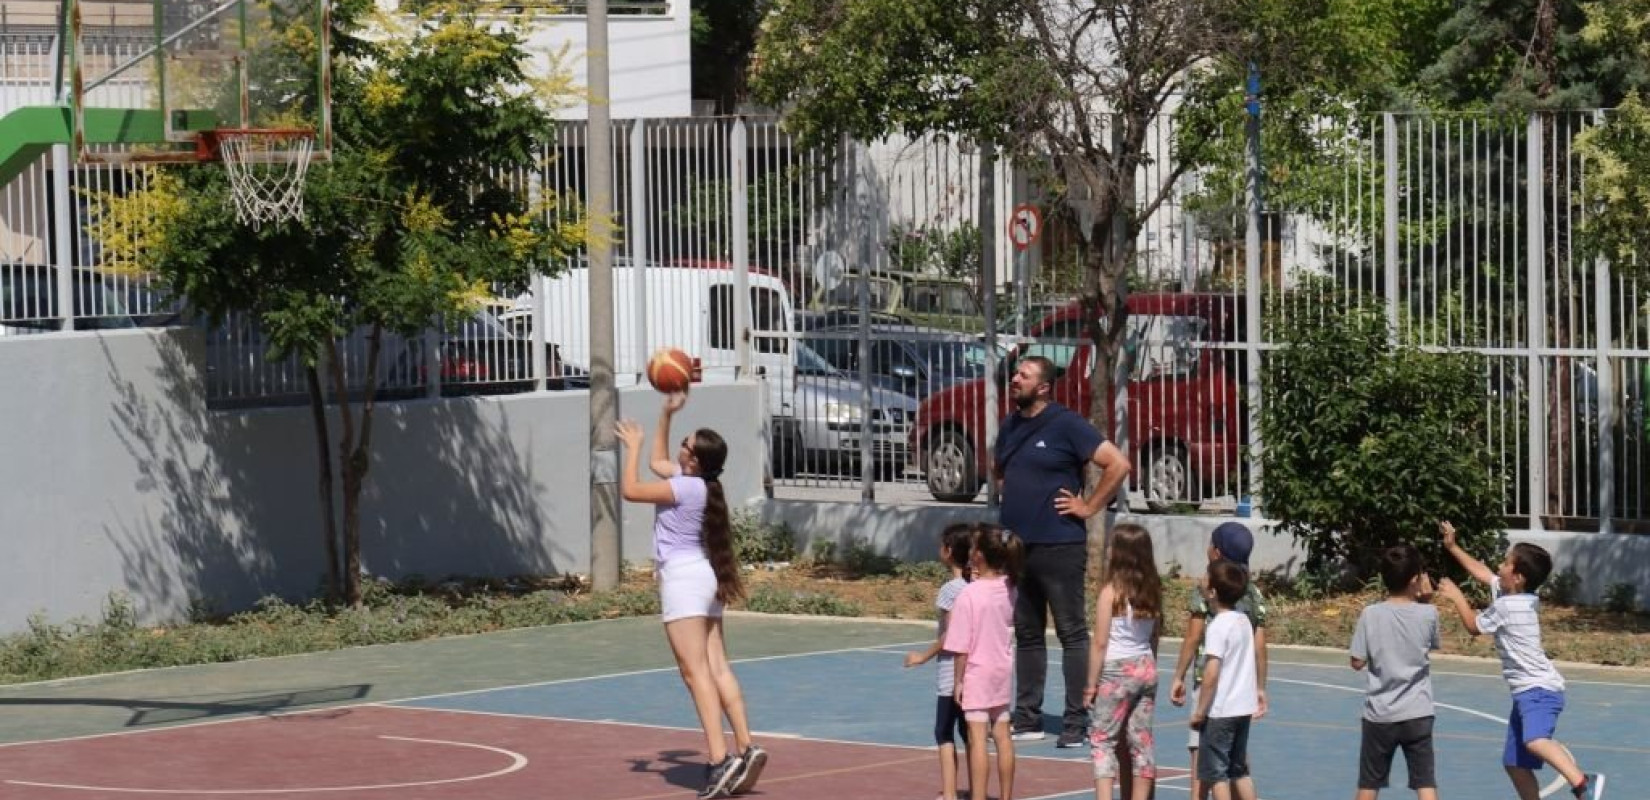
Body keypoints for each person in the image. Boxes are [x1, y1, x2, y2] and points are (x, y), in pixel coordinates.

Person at [616, 392, 767, 799]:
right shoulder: (701, 485)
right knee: (717, 667)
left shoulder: (683, 488)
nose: (679, 446)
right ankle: (746, 747)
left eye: (685, 444)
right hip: (705, 577)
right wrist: (665, 413)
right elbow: (659, 461)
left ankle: (719, 760)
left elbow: (630, 489)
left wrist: (632, 447)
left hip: (683, 581)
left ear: (694, 460)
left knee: (693, 672)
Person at [994, 355, 1130, 747]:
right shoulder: (1010, 425)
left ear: (1043, 387)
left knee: (1071, 632)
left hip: (1060, 546)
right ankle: (1028, 718)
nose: (1015, 379)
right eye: (1015, 373)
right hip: (1017, 549)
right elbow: (999, 470)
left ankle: (1075, 722)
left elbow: (1118, 464)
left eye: (1023, 375)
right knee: (1027, 633)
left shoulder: (1067, 424)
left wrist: (1088, 506)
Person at [1435, 522, 1605, 800]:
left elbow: (1473, 626)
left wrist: (1457, 597)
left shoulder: (1507, 605)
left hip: (1538, 690)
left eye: (1505, 563)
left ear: (1518, 577)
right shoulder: (1523, 597)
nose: (1499, 566)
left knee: (1536, 740)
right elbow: (1484, 574)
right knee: (1515, 763)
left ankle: (1583, 783)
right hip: (1527, 692)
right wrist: (1453, 547)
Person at [1168, 521, 1270, 800]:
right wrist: (1260, 687)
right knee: (1238, 766)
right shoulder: (1252, 593)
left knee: (1207, 765)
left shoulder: (1207, 590)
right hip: (1242, 694)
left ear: (1216, 552)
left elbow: (1193, 637)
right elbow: (1260, 645)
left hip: (1214, 695)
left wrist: (1179, 676)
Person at [1349, 544, 1441, 800]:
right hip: (1418, 711)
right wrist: (1426, 600)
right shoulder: (1429, 613)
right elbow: (1431, 644)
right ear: (1414, 580)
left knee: (1369, 784)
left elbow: (1356, 661)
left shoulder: (1370, 614)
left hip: (1380, 713)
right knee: (1425, 783)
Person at [1081, 523, 1162, 800]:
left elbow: (1100, 642)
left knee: (1102, 739)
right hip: (1145, 665)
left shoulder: (1111, 592)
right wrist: (1149, 665)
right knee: (1141, 741)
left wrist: (1091, 684)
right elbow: (1154, 636)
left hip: (1117, 668)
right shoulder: (1152, 589)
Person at [944, 524, 1025, 800]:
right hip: (1001, 670)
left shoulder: (969, 594)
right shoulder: (1010, 588)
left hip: (978, 672)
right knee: (1003, 736)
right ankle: (1006, 796)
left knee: (977, 739)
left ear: (978, 556)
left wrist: (958, 681)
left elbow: (961, 647)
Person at [904, 522, 975, 800]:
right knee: (970, 733)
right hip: (975, 671)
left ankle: (950, 793)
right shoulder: (976, 587)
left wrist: (923, 656)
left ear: (948, 551)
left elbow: (950, 635)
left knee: (943, 732)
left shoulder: (950, 590)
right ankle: (976, 790)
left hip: (950, 674)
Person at [1190, 560, 1261, 800]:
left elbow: (1211, 673)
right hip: (1243, 707)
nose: (1201, 580)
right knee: (1239, 771)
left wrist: (1200, 711)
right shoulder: (1243, 620)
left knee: (1216, 775)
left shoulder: (1218, 626)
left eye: (1205, 577)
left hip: (1221, 711)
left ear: (1212, 592)